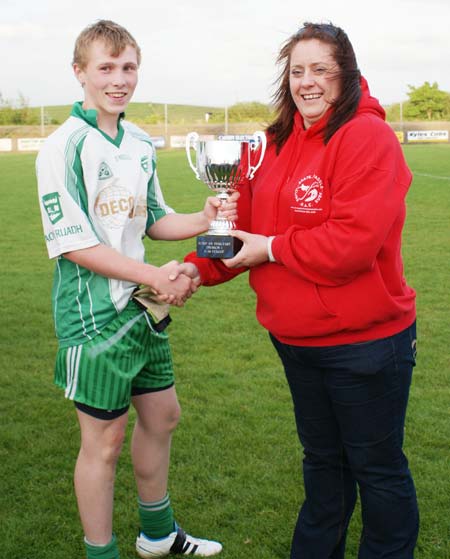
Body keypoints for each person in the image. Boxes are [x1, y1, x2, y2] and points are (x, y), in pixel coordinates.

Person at [180, 21, 419, 559]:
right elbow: (238, 232)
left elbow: (350, 246)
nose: (307, 82)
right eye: (297, 71)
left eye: (321, 70)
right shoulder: (270, 145)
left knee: (377, 471)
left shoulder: (367, 136)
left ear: (347, 75)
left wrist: (270, 248)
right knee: (323, 467)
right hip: (295, 343)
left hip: (364, 344)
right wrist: (197, 268)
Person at [36, 19, 235, 559]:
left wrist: (204, 215)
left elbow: (154, 221)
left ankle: (159, 535)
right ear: (80, 73)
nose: (118, 79)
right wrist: (155, 276)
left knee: (163, 416)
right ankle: (102, 552)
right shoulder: (63, 147)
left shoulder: (141, 142)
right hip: (93, 317)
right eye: (106, 68)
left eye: (128, 68)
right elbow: (73, 243)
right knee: (103, 444)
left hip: (142, 310)